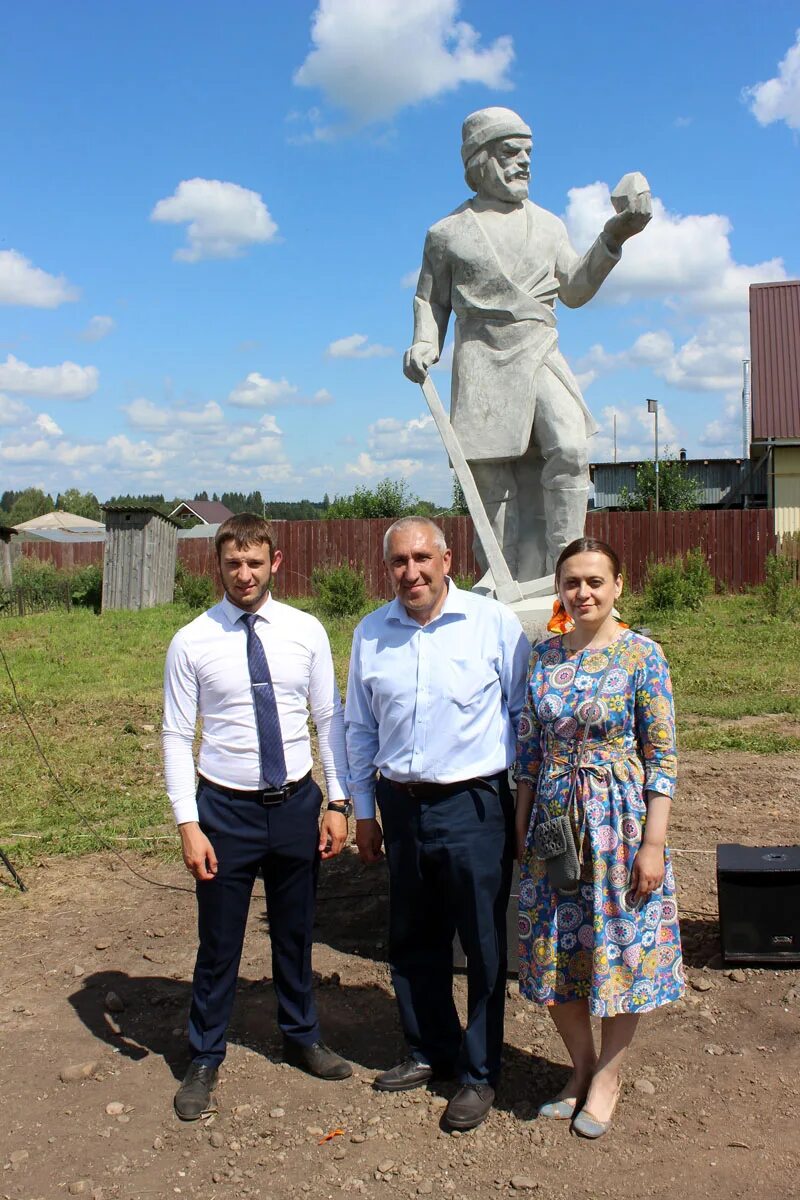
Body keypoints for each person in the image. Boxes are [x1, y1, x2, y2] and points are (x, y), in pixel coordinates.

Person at [403, 107, 651, 582]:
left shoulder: (549, 225)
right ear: (479, 160)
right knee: (492, 483)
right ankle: (501, 579)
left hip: (539, 350)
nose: (524, 162)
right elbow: (430, 300)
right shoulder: (447, 233)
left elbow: (575, 290)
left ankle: (569, 573)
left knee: (572, 449)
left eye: (528, 153)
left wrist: (614, 234)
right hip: (483, 360)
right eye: (509, 152)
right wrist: (423, 343)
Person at [162, 513, 353, 1120]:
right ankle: (204, 1055)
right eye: (232, 563)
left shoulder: (306, 631)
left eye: (254, 562)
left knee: (295, 933)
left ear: (276, 563)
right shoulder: (192, 640)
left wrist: (338, 802)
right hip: (224, 810)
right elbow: (174, 735)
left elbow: (330, 719)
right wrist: (188, 823)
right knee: (219, 942)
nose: (243, 574)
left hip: (296, 804)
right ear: (216, 567)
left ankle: (301, 1036)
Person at [345, 517, 530, 1131]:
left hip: (473, 804)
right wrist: (364, 811)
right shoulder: (371, 634)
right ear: (388, 567)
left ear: (448, 560)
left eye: (423, 558)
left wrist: (522, 806)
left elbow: (520, 714)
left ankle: (479, 1073)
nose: (412, 572)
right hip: (400, 804)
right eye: (399, 561)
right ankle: (430, 1049)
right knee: (413, 934)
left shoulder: (492, 625)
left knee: (481, 942)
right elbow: (359, 728)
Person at [514, 537, 684, 1138]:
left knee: (623, 948)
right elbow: (529, 750)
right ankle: (580, 1067)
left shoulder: (643, 657)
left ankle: (609, 1076)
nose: (582, 593)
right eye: (571, 583)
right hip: (556, 824)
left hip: (620, 822)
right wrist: (522, 824)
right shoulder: (543, 657)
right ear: (558, 590)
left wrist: (654, 844)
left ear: (617, 587)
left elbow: (660, 757)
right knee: (555, 947)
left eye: (594, 581)